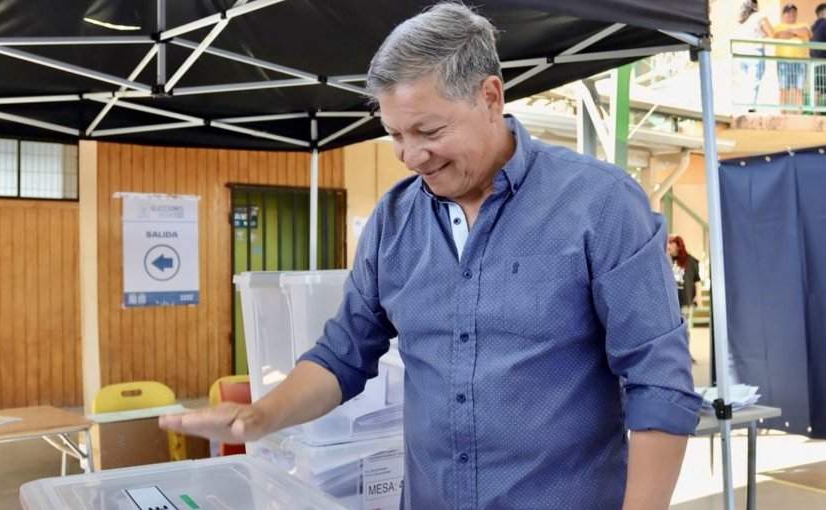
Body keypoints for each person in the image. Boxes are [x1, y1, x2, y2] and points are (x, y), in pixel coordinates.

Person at [161, 4, 701, 509]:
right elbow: (344, 352)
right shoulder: (394, 221)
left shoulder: (600, 204)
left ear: (491, 97)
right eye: (394, 134)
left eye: (429, 130)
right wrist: (262, 416)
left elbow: (658, 382)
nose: (411, 156)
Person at [735, 0, 775, 108]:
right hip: (755, 52)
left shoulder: (743, 19)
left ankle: (743, 107)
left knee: (745, 81)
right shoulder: (759, 16)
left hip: (741, 52)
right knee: (754, 81)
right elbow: (772, 33)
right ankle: (751, 108)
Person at [773, 3, 813, 111]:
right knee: (783, 89)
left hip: (800, 61)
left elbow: (806, 32)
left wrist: (789, 31)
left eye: (794, 12)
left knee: (799, 89)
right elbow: (780, 36)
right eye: (789, 12)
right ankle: (783, 113)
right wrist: (797, 32)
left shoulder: (804, 24)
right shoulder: (778, 26)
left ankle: (799, 113)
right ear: (783, 15)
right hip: (783, 62)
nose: (792, 14)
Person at [667, 235, 702, 357]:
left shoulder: (690, 261)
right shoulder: (666, 259)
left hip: (685, 300)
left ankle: (685, 353)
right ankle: (673, 354)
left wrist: (698, 295)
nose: (668, 246)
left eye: (671, 243)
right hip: (670, 301)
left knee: (684, 328)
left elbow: (697, 280)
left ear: (677, 245)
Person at [812, 3, 826, 107]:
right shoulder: (824, 24)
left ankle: (815, 111)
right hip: (823, 60)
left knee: (817, 87)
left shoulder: (813, 26)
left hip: (815, 61)